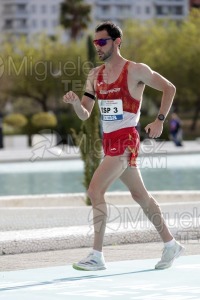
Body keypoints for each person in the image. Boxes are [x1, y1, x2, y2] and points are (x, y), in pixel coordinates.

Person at [63, 21, 185, 271]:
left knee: (95, 191)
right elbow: (86, 114)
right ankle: (171, 244)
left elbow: (169, 88)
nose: (97, 46)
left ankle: (97, 255)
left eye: (102, 41)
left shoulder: (136, 70)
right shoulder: (94, 75)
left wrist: (160, 120)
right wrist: (76, 103)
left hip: (126, 139)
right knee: (140, 195)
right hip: (110, 142)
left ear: (117, 42)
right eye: (95, 42)